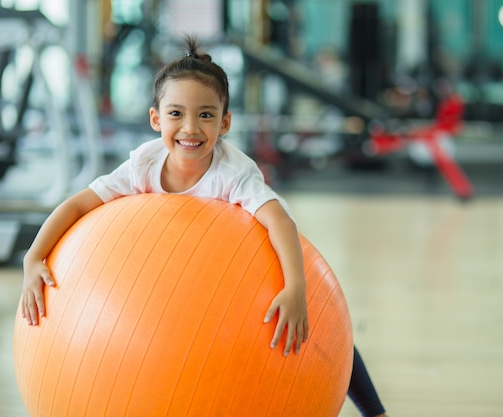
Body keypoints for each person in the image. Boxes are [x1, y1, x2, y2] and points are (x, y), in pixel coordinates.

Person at [19, 35, 387, 417]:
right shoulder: (144, 164)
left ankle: (375, 411)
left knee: (322, 327)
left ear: (225, 122)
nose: (190, 128)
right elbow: (79, 203)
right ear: (155, 119)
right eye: (176, 114)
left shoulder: (233, 172)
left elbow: (278, 219)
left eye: (206, 115)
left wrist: (296, 288)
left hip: (239, 280)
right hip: (169, 291)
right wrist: (34, 257)